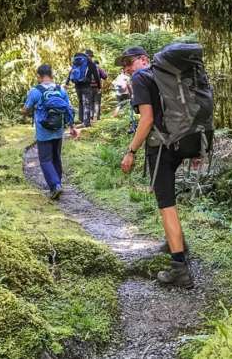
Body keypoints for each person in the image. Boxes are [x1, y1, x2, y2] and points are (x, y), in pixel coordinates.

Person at [116, 46, 208, 289]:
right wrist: (196, 148)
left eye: (130, 62)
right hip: (181, 142)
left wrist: (131, 151)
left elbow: (146, 120)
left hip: (161, 147)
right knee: (162, 192)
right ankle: (174, 240)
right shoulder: (168, 77)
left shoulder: (141, 78)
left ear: (145, 60)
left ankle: (180, 268)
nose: (127, 68)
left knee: (166, 204)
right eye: (124, 66)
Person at [22, 64, 79, 200]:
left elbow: (26, 109)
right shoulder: (61, 90)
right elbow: (68, 109)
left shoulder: (35, 91)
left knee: (45, 160)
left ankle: (56, 185)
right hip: (58, 130)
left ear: (38, 77)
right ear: (52, 76)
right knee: (56, 158)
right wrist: (73, 126)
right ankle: (56, 185)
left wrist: (24, 115)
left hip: (43, 132)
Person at [64, 51, 101, 127]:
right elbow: (97, 76)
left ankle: (81, 120)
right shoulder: (91, 64)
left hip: (77, 85)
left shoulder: (78, 62)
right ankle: (86, 123)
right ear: (90, 56)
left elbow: (71, 72)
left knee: (81, 102)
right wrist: (99, 87)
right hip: (86, 86)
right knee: (86, 104)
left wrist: (66, 83)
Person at [89, 51, 107, 121]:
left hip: (89, 87)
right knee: (97, 102)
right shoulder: (99, 69)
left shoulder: (89, 68)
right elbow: (105, 77)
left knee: (91, 102)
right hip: (97, 87)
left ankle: (90, 115)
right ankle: (97, 117)